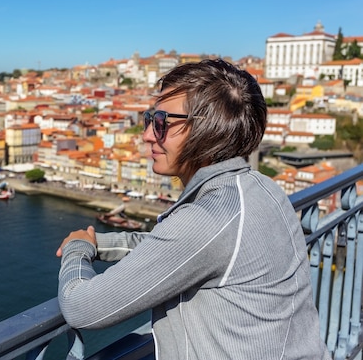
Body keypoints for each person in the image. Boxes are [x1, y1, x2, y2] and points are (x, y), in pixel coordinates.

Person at [56, 59, 330, 359]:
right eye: (149, 120)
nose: (148, 134)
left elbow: (81, 308)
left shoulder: (207, 219)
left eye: (160, 122)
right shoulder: (263, 189)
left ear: (206, 130)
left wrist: (77, 250)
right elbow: (177, 250)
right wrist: (103, 243)